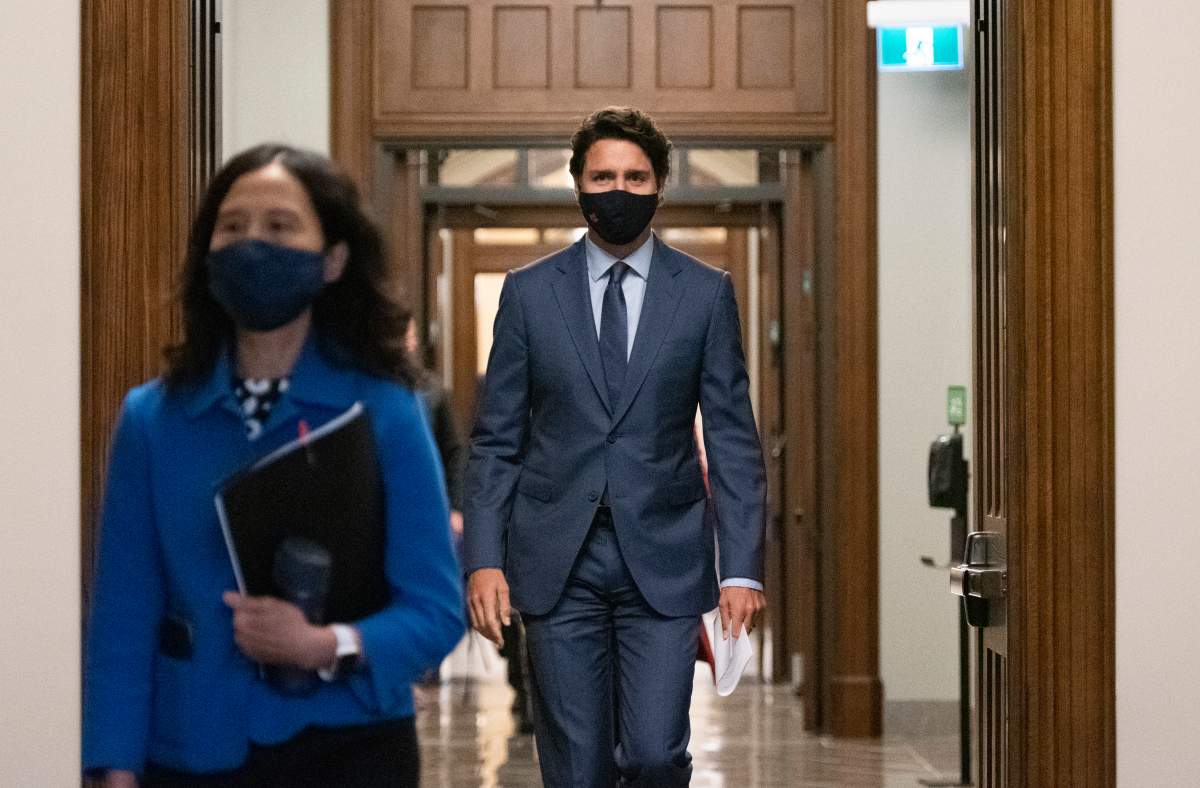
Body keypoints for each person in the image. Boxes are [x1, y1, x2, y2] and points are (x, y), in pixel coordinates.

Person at [82, 144, 465, 787]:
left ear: (333, 260)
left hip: (352, 750)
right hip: (191, 749)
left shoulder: (386, 412)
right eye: (231, 228)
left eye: (280, 226)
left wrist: (327, 646)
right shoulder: (153, 419)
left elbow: (435, 612)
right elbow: (123, 615)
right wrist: (113, 764)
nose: (251, 243)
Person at [463, 107, 767, 786]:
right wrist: (483, 558)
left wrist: (740, 569)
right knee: (575, 768)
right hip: (556, 562)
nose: (619, 189)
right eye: (603, 175)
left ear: (660, 186)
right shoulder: (529, 294)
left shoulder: (706, 295)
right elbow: (496, 440)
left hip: (663, 562)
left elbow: (733, 439)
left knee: (657, 754)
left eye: (635, 176)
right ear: (577, 184)